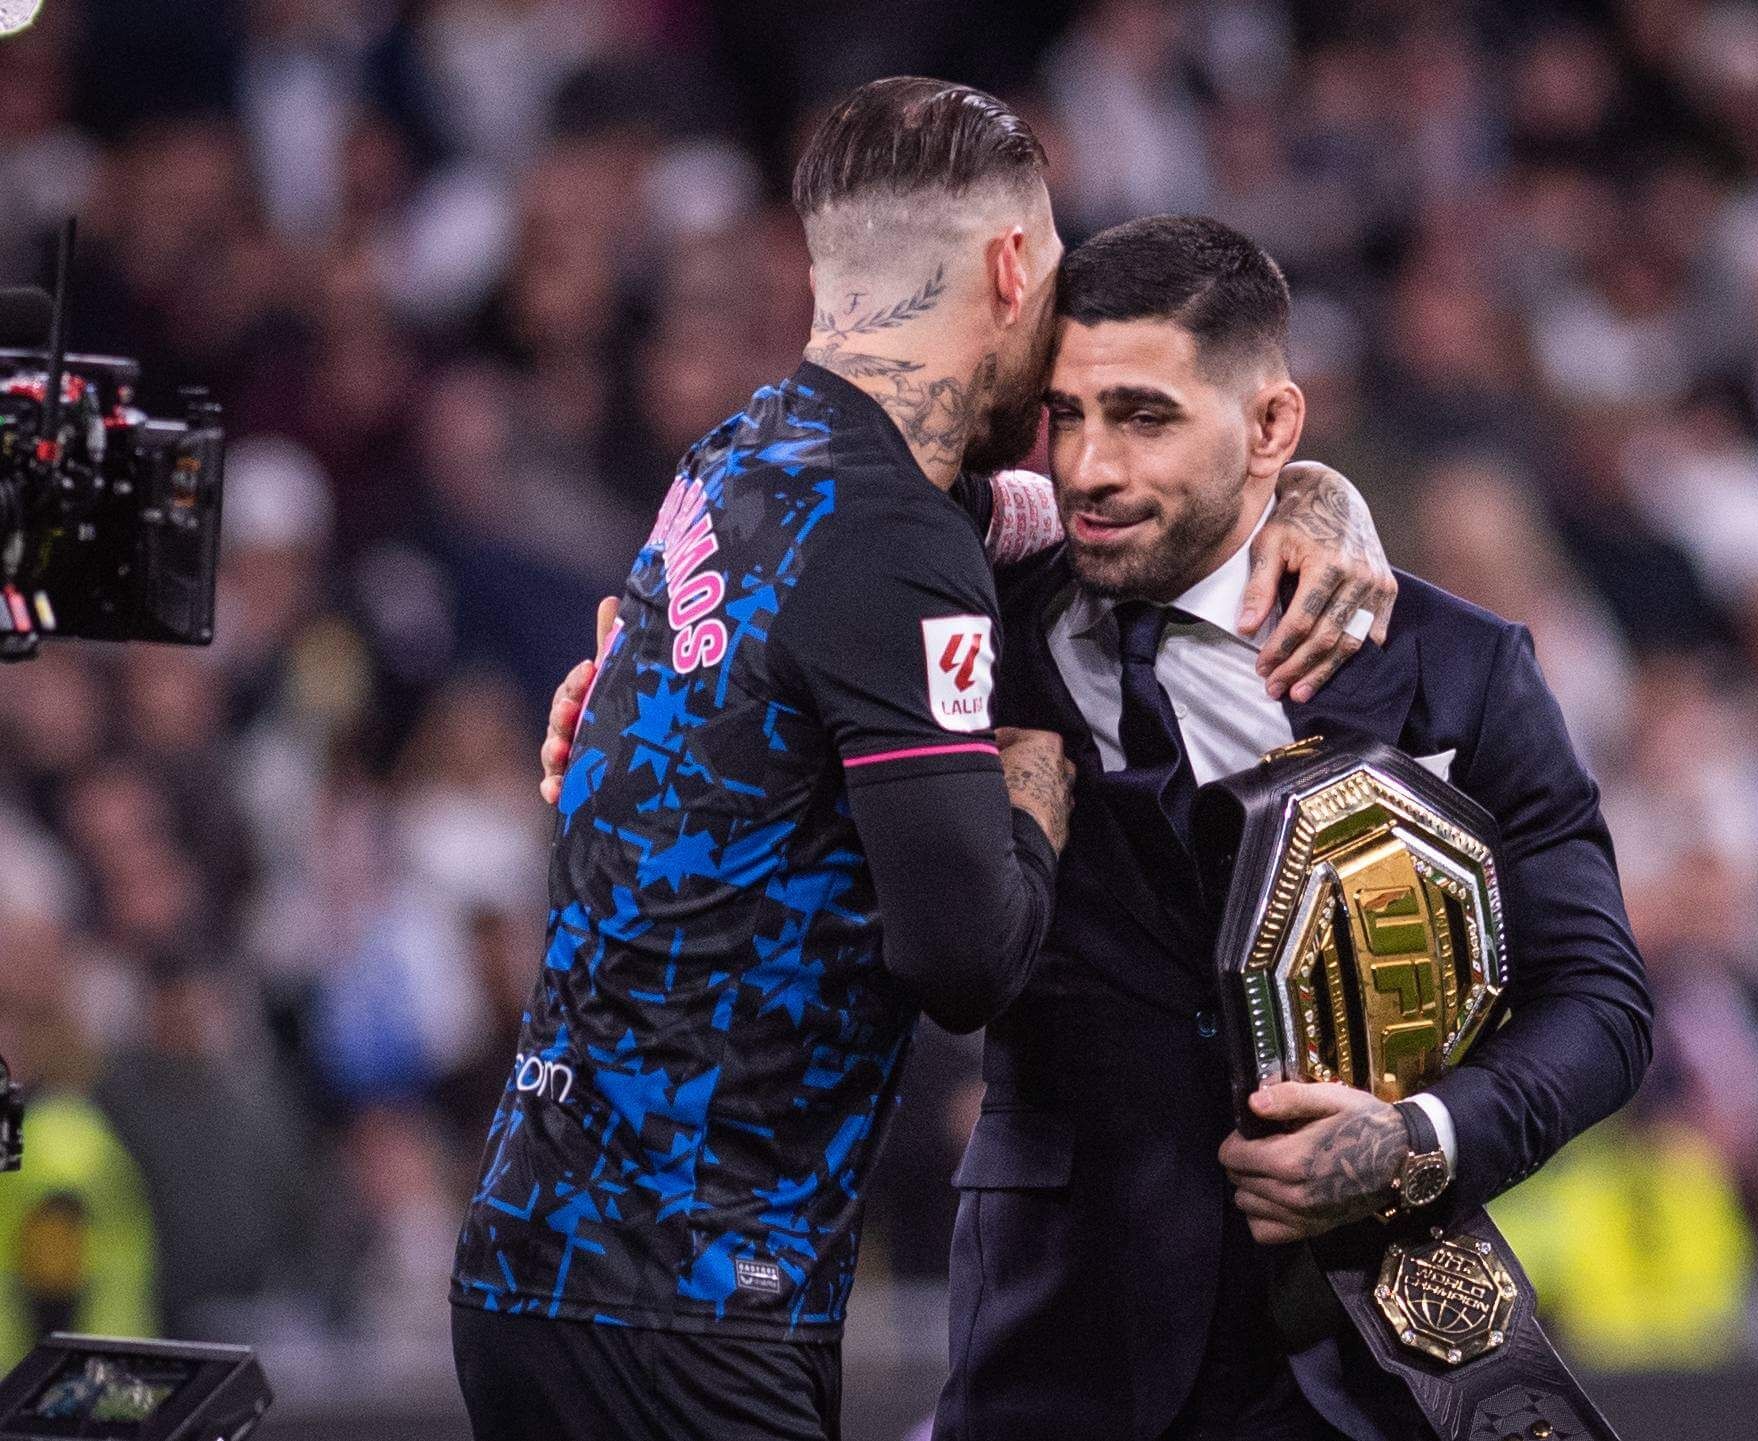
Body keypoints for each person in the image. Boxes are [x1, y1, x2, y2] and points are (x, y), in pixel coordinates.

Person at [457, 81, 1392, 1441]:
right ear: (1014, 266)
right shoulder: (899, 543)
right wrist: (1032, 793)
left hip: (531, 1254)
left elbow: (1067, 521)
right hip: (693, 1296)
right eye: (1059, 262)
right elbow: (966, 957)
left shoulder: (736, 458)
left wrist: (1312, 493)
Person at [941, 216, 1652, 1439]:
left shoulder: (1453, 670)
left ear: (1272, 427)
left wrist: (1416, 1139)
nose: (1090, 468)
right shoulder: (975, 627)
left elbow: (1599, 1000)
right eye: (1065, 416)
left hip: (1359, 1370)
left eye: (1145, 415)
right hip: (1053, 1351)